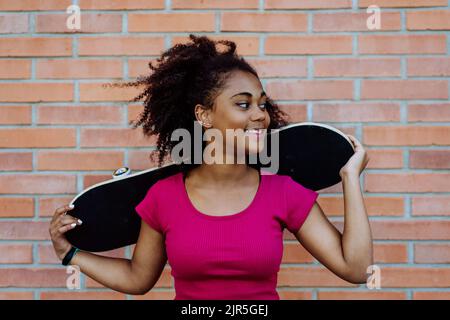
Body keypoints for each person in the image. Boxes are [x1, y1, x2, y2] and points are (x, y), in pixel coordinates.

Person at [49, 34, 373, 300]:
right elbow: (138, 278)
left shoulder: (284, 192)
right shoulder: (164, 196)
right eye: (243, 104)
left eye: (262, 103)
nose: (260, 115)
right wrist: (69, 253)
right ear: (204, 116)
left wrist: (349, 178)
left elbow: (356, 269)